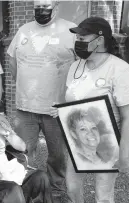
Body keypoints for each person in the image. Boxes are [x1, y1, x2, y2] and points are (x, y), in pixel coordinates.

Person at [50, 16, 129, 203]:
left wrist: (125, 152)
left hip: (108, 142)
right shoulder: (75, 67)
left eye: (83, 38)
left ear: (99, 40)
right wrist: (62, 112)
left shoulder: (120, 69)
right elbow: (72, 103)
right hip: (77, 140)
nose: (78, 42)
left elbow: (127, 116)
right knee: (72, 188)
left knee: (103, 195)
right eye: (77, 38)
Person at [7, 0, 77, 197]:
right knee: (21, 153)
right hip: (25, 108)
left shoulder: (71, 30)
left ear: (56, 7)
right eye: (37, 7)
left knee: (57, 157)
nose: (40, 11)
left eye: (45, 7)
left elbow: (81, 66)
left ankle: (56, 194)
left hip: (57, 108)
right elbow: (12, 61)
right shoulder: (24, 30)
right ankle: (23, 192)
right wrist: (26, 84)